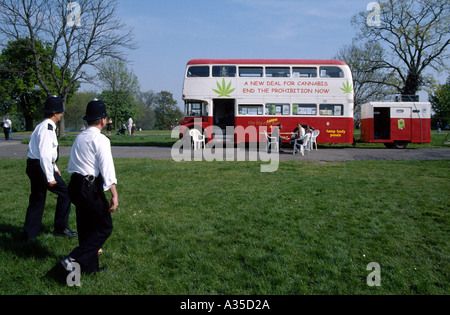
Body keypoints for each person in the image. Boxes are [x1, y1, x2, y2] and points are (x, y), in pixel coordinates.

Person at [61, 99, 119, 275]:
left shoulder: (80, 136)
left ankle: (89, 268)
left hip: (75, 185)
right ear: (103, 120)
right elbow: (107, 168)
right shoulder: (101, 140)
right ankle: (72, 258)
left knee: (86, 228)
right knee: (104, 227)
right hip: (89, 187)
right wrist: (114, 194)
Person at [23, 96, 77, 242]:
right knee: (65, 193)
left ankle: (29, 236)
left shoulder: (41, 125)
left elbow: (44, 153)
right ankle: (60, 229)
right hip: (40, 167)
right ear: (54, 113)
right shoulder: (48, 129)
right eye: (60, 111)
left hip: (34, 165)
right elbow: (45, 155)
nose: (61, 114)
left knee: (37, 199)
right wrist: (50, 177)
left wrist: (55, 167)